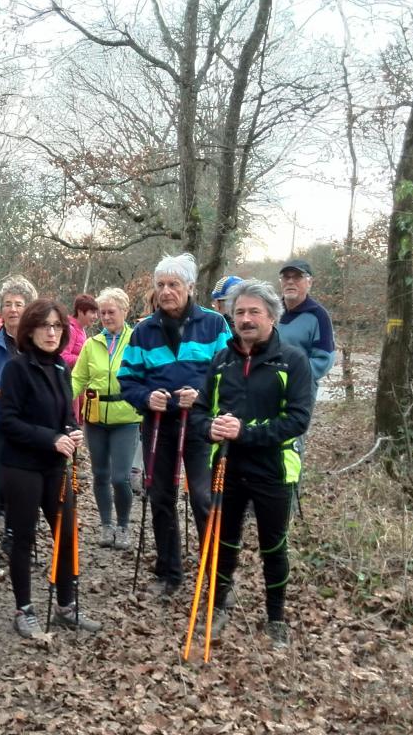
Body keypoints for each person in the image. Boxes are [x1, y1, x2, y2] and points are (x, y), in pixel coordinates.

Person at [190, 280, 314, 646]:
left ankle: (275, 617)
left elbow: (297, 420)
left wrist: (244, 432)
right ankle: (218, 605)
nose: (246, 319)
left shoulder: (292, 361)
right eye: (239, 312)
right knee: (223, 541)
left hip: (273, 470)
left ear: (272, 317)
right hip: (227, 468)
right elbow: (198, 413)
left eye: (254, 312)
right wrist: (211, 427)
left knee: (273, 545)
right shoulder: (221, 360)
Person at [118, 252, 231, 599]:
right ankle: (168, 572)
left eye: (174, 284)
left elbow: (228, 376)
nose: (166, 291)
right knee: (160, 496)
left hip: (199, 425)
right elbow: (127, 379)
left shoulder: (214, 324)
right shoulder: (143, 331)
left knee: (201, 497)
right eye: (161, 285)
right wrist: (145, 397)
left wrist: (200, 395)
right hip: (157, 426)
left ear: (191, 287)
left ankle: (215, 576)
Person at [0, 298, 99, 638]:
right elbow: (9, 421)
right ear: (30, 329)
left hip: (56, 467)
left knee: (66, 534)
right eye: (45, 326)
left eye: (57, 326)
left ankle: (65, 606)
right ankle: (23, 609)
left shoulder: (60, 368)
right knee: (23, 539)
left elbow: (66, 414)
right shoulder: (17, 368)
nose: (52, 332)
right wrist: (51, 439)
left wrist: (71, 431)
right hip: (22, 467)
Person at [71, 287, 142, 550]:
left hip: (126, 417)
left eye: (111, 312)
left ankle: (123, 525)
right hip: (95, 416)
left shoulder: (136, 341)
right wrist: (57, 401)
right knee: (100, 474)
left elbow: (145, 374)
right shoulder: (92, 344)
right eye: (102, 313)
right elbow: (78, 378)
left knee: (120, 477)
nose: (106, 317)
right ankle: (106, 525)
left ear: (124, 311)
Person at [0, 275, 35, 568]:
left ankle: (14, 534)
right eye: (8, 304)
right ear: (0, 310)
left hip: (26, 425)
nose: (13, 309)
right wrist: (6, 393)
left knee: (21, 484)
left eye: (19, 304)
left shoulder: (34, 344)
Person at [277, 260, 336, 391]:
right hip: (267, 387)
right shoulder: (271, 311)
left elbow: (324, 360)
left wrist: (290, 374)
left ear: (309, 282)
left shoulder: (318, 316)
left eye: (297, 277)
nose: (290, 282)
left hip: (299, 391)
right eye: (286, 277)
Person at [61, 293, 96, 368]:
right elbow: (63, 357)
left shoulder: (81, 329)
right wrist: (86, 360)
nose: (96, 317)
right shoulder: (71, 329)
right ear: (80, 311)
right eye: (92, 312)